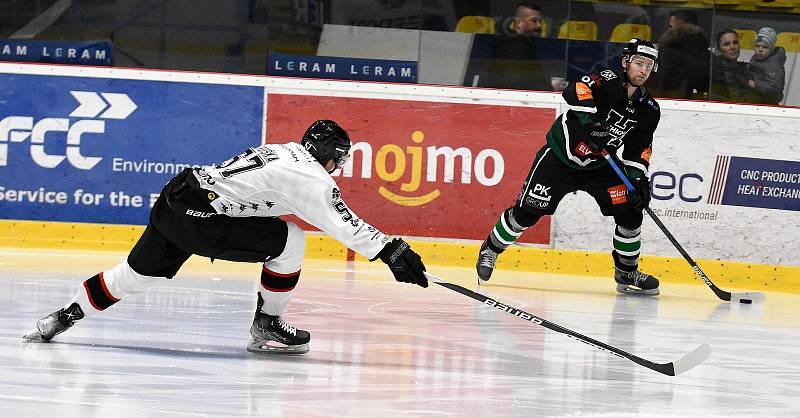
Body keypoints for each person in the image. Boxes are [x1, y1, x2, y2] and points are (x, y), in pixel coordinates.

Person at [23, 120, 428, 354]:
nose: (338, 166)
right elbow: (344, 224)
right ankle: (267, 323)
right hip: (205, 218)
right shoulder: (312, 179)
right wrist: (392, 251)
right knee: (292, 242)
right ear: (329, 155)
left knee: (133, 275)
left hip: (177, 197)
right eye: (339, 158)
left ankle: (62, 317)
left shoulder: (284, 151)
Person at [476, 38, 662, 296]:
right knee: (526, 214)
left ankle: (626, 273)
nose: (642, 70)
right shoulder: (607, 80)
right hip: (560, 159)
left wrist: (638, 180)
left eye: (648, 65)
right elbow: (575, 90)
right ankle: (490, 250)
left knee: (631, 214)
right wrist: (592, 126)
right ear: (625, 63)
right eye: (638, 63)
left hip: (600, 164)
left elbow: (638, 149)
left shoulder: (649, 110)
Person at [652, 10, 710, 100]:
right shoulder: (703, 48)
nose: (669, 29)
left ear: (677, 26)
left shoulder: (670, 49)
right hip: (696, 100)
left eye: (671, 26)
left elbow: (661, 81)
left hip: (670, 98)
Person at [710, 29, 758, 103]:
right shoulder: (714, 71)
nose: (732, 47)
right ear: (719, 50)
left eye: (735, 42)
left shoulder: (747, 68)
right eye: (726, 44)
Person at [748, 27, 786, 105]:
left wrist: (755, 84)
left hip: (768, 104)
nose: (760, 50)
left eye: (765, 47)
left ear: (771, 49)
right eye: (757, 46)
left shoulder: (774, 65)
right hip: (756, 100)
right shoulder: (756, 58)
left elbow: (774, 87)